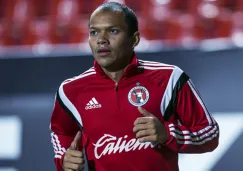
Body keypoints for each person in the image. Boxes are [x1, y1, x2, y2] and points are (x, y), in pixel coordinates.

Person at [50, 2, 219, 171]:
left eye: (113, 31)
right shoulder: (70, 91)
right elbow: (61, 133)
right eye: (94, 32)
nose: (101, 40)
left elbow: (210, 134)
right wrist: (64, 159)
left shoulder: (169, 78)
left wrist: (168, 134)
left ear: (135, 39)